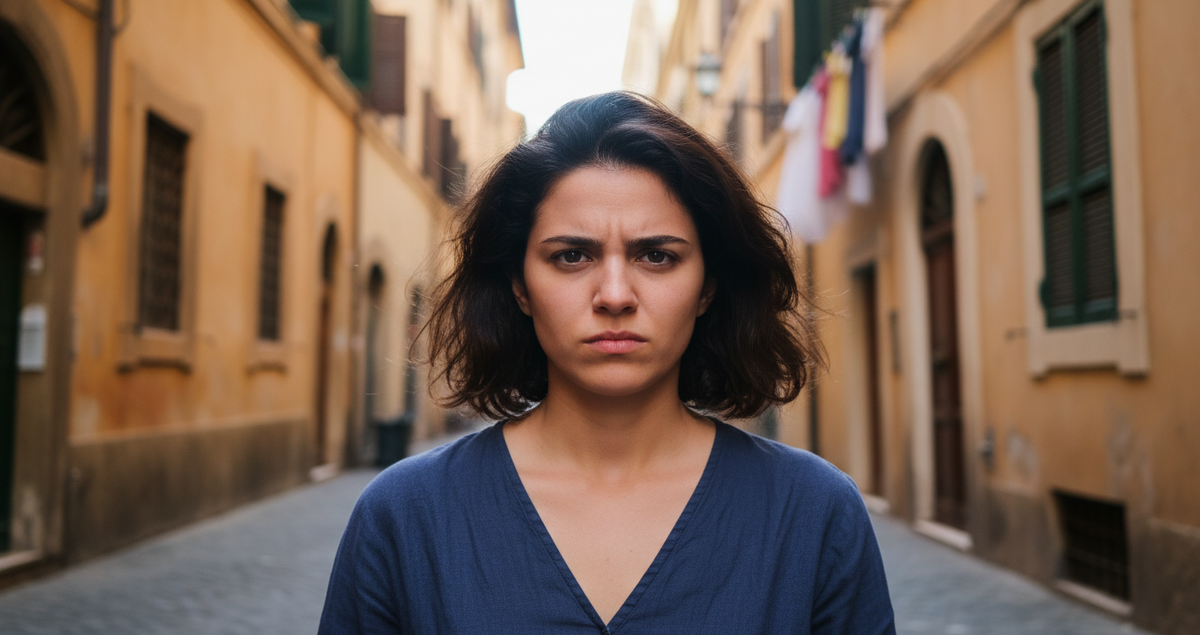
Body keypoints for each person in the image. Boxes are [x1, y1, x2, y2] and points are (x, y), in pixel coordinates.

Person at [318, 91, 895, 634]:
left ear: (707, 288)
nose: (614, 294)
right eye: (571, 256)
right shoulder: (403, 518)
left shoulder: (816, 516)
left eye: (657, 256)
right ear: (520, 286)